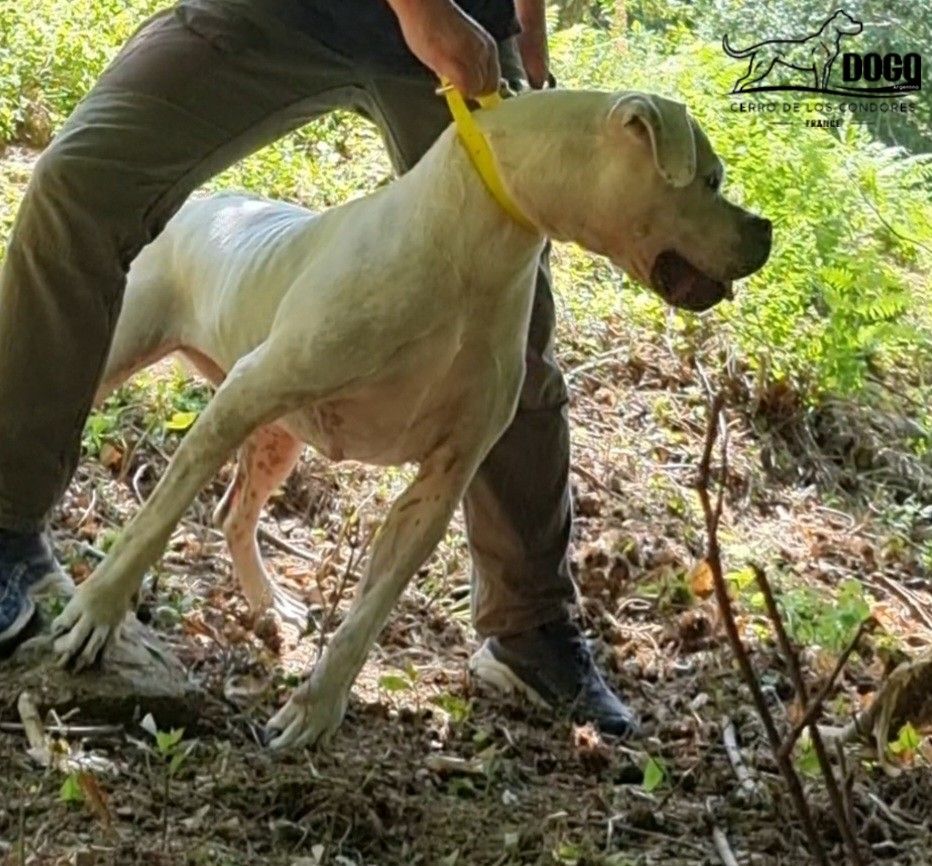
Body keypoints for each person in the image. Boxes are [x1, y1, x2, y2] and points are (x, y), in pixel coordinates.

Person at [0, 0, 638, 736]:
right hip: (275, 14)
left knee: (512, 331)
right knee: (80, 184)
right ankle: (5, 524)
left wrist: (524, 33)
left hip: (465, 29)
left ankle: (530, 631)